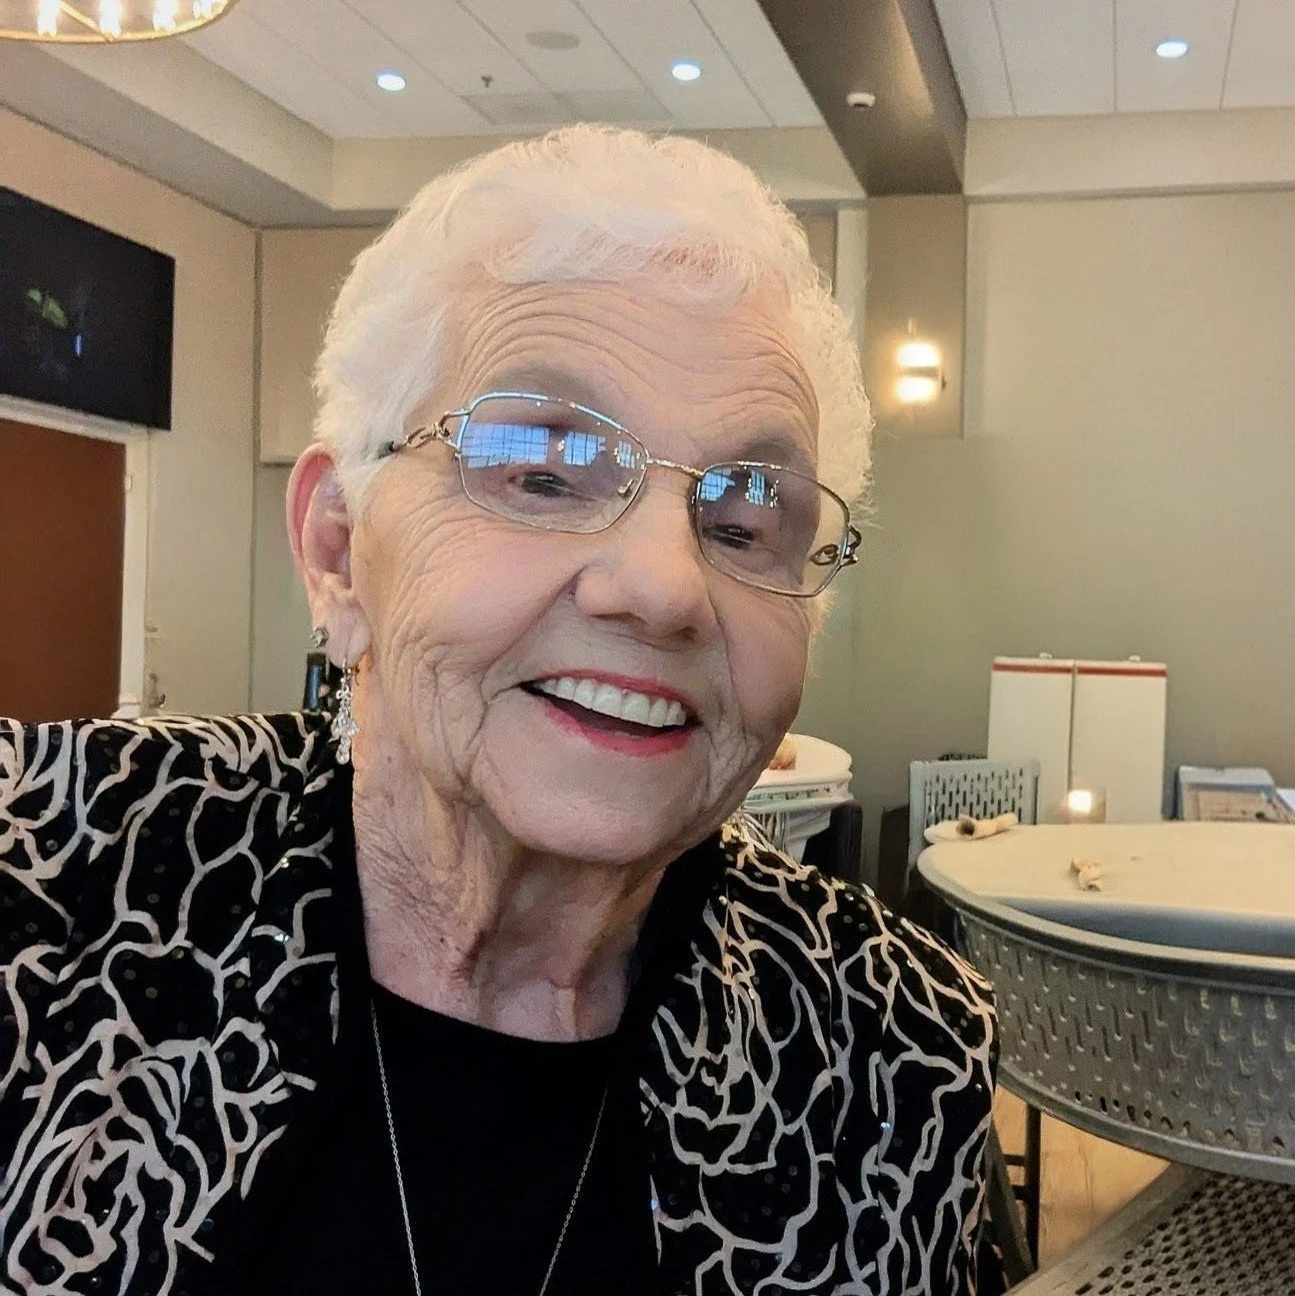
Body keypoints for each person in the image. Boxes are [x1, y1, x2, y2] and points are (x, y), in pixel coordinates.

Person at [0, 126, 995, 1296]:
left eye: (740, 516)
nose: (668, 587)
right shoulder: (41, 877)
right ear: (336, 552)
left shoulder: (894, 1048)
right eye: (539, 468)